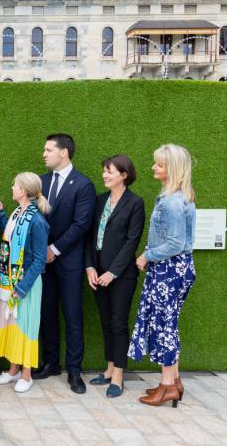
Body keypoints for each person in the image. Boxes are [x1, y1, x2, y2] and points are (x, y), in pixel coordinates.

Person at [129, 144, 196, 407]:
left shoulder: (171, 202)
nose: (154, 167)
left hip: (169, 270)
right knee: (168, 323)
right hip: (176, 269)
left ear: (172, 168)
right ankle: (174, 381)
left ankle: (168, 386)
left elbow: (174, 244)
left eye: (159, 164)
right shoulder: (179, 197)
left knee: (164, 327)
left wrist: (146, 256)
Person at [34, 133, 96, 394]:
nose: (44, 154)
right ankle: (50, 363)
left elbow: (82, 224)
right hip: (44, 262)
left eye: (49, 150)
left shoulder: (83, 185)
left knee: (72, 316)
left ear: (64, 153)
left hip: (69, 261)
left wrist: (55, 249)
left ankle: (74, 370)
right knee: (46, 313)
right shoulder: (42, 182)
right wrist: (42, 251)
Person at [85, 155, 145, 398]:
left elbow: (132, 241)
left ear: (124, 174)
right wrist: (90, 267)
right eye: (104, 171)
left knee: (119, 324)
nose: (104, 175)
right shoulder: (100, 201)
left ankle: (119, 375)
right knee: (106, 322)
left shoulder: (135, 203)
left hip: (122, 276)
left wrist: (113, 272)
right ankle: (109, 368)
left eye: (109, 171)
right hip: (97, 273)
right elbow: (89, 237)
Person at [0, 172, 50, 394]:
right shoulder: (18, 213)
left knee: (26, 327)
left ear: (23, 191)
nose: (12, 188)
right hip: (10, 280)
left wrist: (22, 287)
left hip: (27, 284)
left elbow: (39, 259)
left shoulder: (37, 220)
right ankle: (13, 369)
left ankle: (27, 374)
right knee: (12, 325)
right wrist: (0, 213)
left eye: (15, 185)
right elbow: (12, 236)